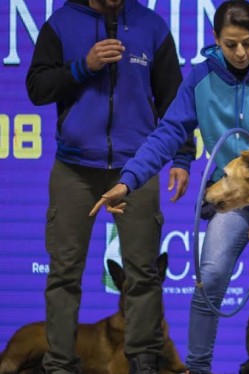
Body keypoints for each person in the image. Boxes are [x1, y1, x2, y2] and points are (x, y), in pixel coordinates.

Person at [90, 1, 249, 373]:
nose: (240, 52)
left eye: (248, 43)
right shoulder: (200, 78)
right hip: (233, 197)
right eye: (231, 44)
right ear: (215, 40)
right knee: (208, 279)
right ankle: (197, 367)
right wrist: (128, 181)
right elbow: (168, 134)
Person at [26, 0, 195, 373]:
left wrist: (182, 158)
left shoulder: (152, 26)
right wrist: (82, 66)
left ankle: (144, 362)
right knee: (64, 273)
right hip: (74, 168)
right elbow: (37, 88)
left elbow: (175, 102)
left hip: (138, 166)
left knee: (143, 273)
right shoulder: (61, 24)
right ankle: (59, 364)